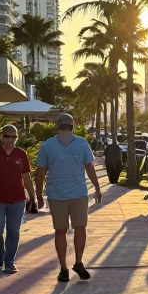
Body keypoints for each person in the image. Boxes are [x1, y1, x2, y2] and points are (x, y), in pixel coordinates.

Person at [35, 113, 102, 282]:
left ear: (58, 125)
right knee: (72, 229)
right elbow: (89, 167)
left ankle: (70, 266)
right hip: (64, 195)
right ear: (72, 125)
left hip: (71, 194)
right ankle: (70, 265)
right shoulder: (52, 145)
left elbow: (40, 173)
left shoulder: (74, 144)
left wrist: (38, 195)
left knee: (66, 229)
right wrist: (97, 188)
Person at [0, 123, 36, 273]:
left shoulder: (21, 154)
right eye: (7, 136)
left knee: (13, 231)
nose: (10, 140)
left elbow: (27, 177)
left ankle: (9, 261)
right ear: (1, 137)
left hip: (17, 200)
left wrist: (33, 196)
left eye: (13, 137)